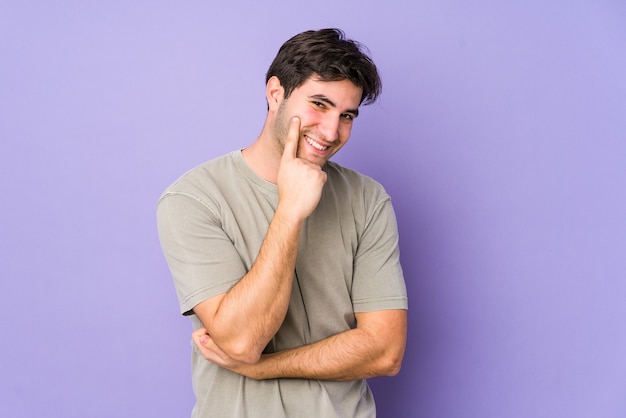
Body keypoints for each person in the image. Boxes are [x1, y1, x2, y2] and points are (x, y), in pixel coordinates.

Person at [157, 28, 408, 417]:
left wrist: (264, 370)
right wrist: (290, 210)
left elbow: (385, 351)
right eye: (319, 104)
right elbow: (242, 342)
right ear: (276, 93)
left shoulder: (368, 199)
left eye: (346, 116)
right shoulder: (193, 199)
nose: (331, 132)